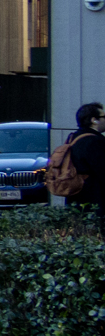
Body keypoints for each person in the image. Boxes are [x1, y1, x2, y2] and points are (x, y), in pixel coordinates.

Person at [55, 101, 105, 236]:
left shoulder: (73, 138)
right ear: (94, 120)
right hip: (94, 201)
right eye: (103, 117)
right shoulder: (95, 142)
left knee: (79, 237)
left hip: (74, 197)